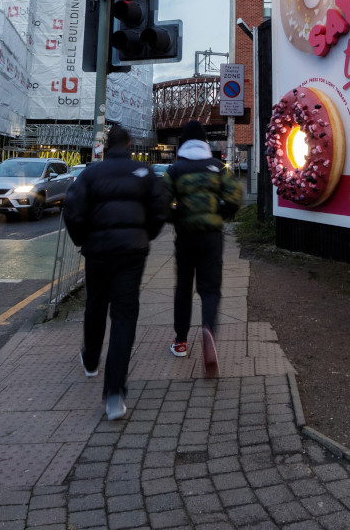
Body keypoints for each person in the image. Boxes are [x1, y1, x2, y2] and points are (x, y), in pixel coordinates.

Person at [62, 126, 169, 420]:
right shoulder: (144, 173)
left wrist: (84, 240)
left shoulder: (90, 174)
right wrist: (144, 236)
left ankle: (91, 359)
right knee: (124, 316)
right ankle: (113, 394)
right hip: (132, 254)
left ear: (106, 146)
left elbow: (72, 209)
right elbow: (161, 209)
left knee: (96, 304)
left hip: (98, 252)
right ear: (130, 145)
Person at [164, 121, 242, 377]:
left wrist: (176, 216)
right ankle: (208, 329)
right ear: (205, 143)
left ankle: (181, 342)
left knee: (183, 289)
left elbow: (160, 201)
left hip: (185, 237)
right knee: (210, 290)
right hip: (211, 237)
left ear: (184, 143)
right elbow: (235, 198)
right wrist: (217, 214)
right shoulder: (218, 168)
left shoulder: (174, 170)